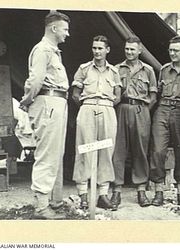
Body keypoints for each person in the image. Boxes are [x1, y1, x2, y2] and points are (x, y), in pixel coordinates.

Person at [19, 11, 70, 219]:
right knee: (47, 154)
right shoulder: (42, 50)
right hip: (48, 102)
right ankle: (41, 206)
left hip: (57, 102)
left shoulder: (53, 51)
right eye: (65, 29)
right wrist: (26, 101)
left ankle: (54, 201)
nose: (68, 34)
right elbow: (36, 80)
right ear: (54, 28)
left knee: (56, 153)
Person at [71, 35, 122, 211]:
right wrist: (89, 106)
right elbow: (76, 95)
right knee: (85, 148)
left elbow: (118, 96)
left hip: (108, 109)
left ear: (107, 50)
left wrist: (104, 106)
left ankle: (102, 194)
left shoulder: (114, 72)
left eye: (100, 48)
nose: (97, 51)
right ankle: (83, 194)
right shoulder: (84, 69)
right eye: (94, 48)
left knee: (106, 150)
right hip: (87, 108)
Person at [111, 36, 157, 208]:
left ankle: (141, 190)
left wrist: (143, 111)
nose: (129, 52)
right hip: (121, 109)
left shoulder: (148, 70)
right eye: (127, 49)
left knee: (140, 150)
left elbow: (153, 96)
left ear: (139, 51)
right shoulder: (116, 69)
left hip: (141, 110)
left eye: (132, 49)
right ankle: (116, 191)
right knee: (119, 151)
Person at [149, 36, 180, 207]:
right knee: (158, 150)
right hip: (163, 109)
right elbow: (158, 92)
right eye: (170, 50)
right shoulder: (164, 70)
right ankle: (159, 191)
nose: (172, 53)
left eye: (176, 50)